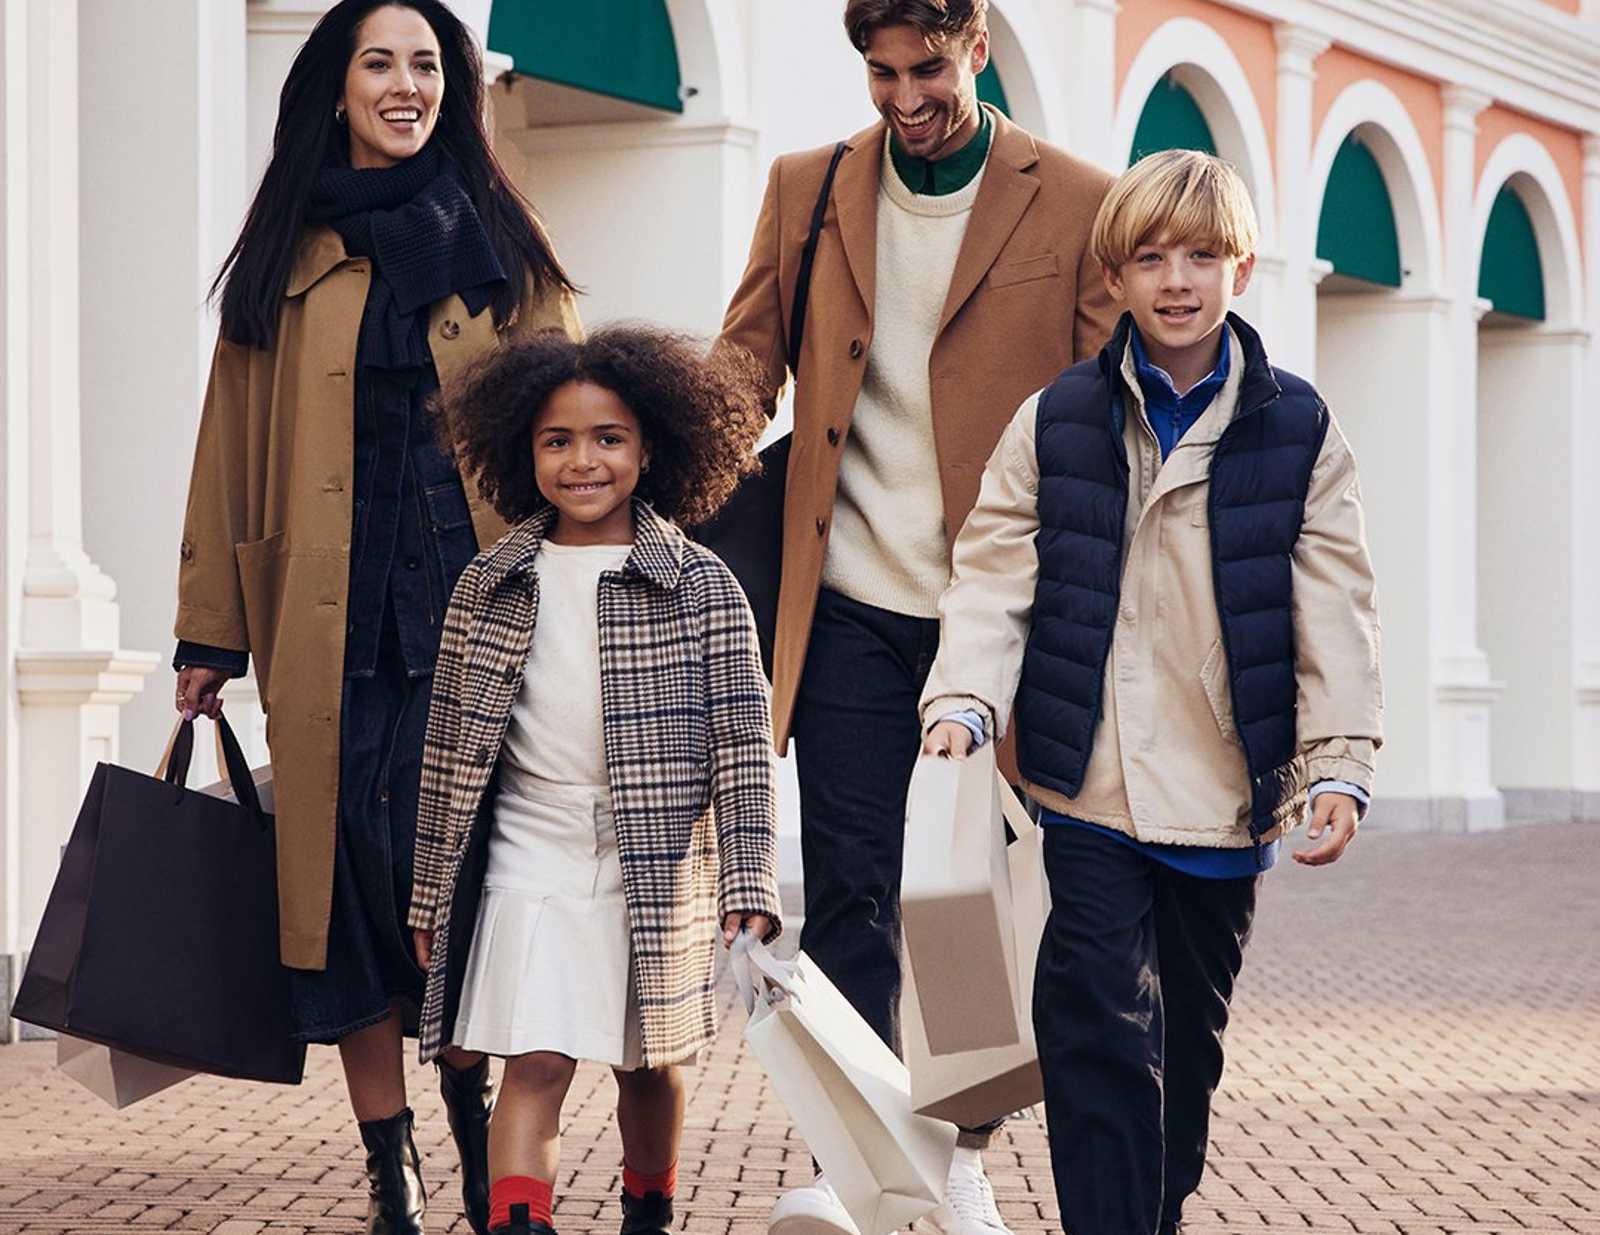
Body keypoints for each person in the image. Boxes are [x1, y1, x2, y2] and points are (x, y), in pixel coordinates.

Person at [917, 149, 1385, 1234]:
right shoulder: (1058, 418)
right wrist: (963, 702)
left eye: (1201, 256)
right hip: (1088, 778)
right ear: (1114, 277)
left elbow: (1335, 605)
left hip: (1226, 785)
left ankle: (1151, 1211)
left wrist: (1341, 762)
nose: (1176, 280)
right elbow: (993, 571)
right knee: (1094, 1028)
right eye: (1150, 258)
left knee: (1184, 1052)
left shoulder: (1297, 426)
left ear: (1242, 267)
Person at [171, 3, 580, 1231]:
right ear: (336, 87)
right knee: (342, 888)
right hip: (327, 628)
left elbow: (569, 429)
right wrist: (208, 635)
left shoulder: (504, 244)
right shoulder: (282, 260)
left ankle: (465, 1094)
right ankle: (387, 1152)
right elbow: (228, 450)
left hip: (479, 619)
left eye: (426, 66)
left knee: (456, 881)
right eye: (379, 64)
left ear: (453, 87)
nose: (405, 87)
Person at [718, 3, 1117, 1230]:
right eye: (882, 73)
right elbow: (742, 370)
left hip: (996, 613)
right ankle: (857, 1158)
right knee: (845, 885)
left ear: (978, 48)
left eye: (927, 70)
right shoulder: (806, 188)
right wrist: (642, 479)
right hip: (842, 603)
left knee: (964, 897)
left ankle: (952, 1153)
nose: (903, 98)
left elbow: (1108, 413)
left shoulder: (1080, 201)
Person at [408, 325, 783, 1235]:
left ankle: (646, 1206)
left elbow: (742, 743)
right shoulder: (489, 583)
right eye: (557, 440)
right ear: (520, 451)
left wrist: (748, 878)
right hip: (526, 849)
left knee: (646, 1063)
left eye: (608, 438)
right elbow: (449, 751)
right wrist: (429, 897)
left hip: (653, 859)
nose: (584, 461)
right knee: (533, 1059)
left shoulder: (702, 584)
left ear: (651, 445)